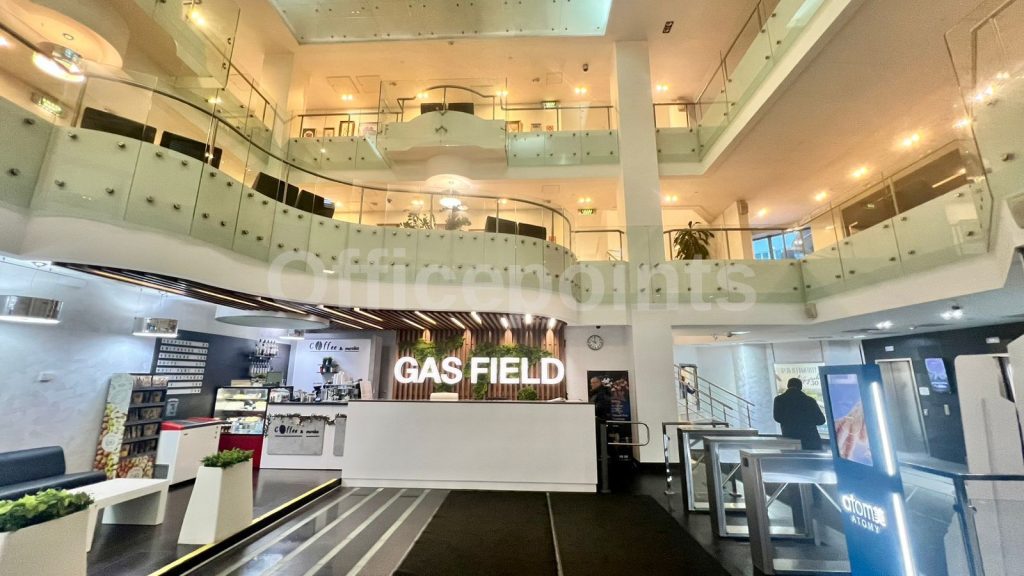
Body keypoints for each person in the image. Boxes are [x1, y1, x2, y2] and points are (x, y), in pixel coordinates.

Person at [773, 377, 826, 450]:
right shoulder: (810, 401)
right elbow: (821, 420)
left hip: (790, 438)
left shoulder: (779, 400)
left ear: (788, 386)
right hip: (810, 439)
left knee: (793, 457)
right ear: (801, 387)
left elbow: (777, 417)